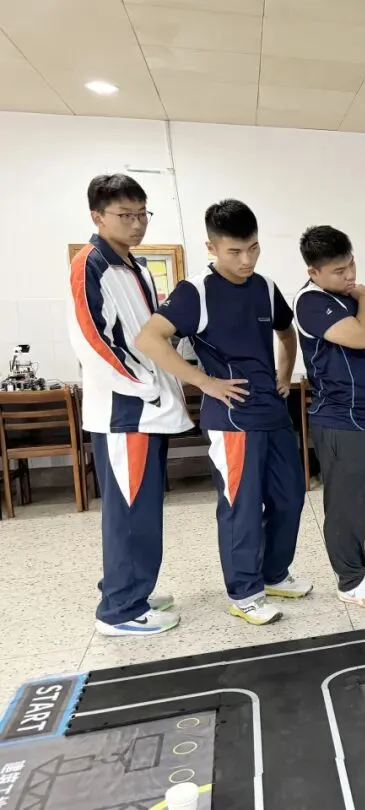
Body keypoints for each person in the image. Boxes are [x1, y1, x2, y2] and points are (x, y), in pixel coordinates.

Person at [135, 199, 310, 626]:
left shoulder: (265, 286)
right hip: (232, 418)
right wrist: (204, 381)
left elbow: (287, 332)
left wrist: (284, 373)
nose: (246, 260)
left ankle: (273, 574)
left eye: (254, 248)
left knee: (290, 497)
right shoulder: (195, 291)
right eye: (235, 251)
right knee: (241, 506)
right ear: (212, 247)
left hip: (273, 412)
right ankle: (244, 592)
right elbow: (150, 339)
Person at [67, 174, 193, 637]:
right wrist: (146, 385)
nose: (137, 224)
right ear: (97, 217)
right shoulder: (90, 264)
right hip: (127, 412)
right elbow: (93, 340)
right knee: (129, 512)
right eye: (125, 215)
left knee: (142, 509)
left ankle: (131, 590)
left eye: (142, 214)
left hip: (149, 409)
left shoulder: (134, 266)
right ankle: (119, 610)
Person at [293, 225, 365, 608]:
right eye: (338, 271)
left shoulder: (347, 297)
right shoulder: (311, 302)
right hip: (343, 420)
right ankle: (351, 580)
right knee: (348, 505)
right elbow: (360, 337)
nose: (349, 276)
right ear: (314, 272)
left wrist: (358, 296)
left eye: (351, 266)